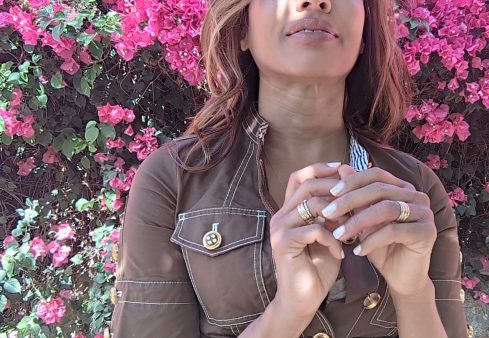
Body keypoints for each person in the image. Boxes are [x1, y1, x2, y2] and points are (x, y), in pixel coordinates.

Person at [110, 0, 469, 337]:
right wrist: (287, 313)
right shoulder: (172, 178)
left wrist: (414, 293)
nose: (316, 1)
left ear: (364, 34)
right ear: (242, 30)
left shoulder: (418, 190)